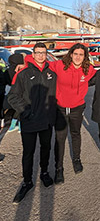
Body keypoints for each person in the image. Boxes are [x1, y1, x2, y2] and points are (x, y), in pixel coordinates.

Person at [24, 43, 96, 184]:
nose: (78, 57)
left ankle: (76, 159)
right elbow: (39, 62)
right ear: (70, 54)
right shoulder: (59, 65)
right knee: (60, 138)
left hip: (77, 108)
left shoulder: (89, 70)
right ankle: (59, 168)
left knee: (76, 134)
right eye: (75, 54)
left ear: (85, 57)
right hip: (60, 108)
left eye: (81, 54)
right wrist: (25, 63)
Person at [8, 43, 57, 204]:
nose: (41, 55)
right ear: (33, 55)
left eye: (44, 53)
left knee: (45, 148)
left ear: (46, 54)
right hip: (29, 121)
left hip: (46, 121)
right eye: (38, 53)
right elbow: (13, 97)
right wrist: (26, 111)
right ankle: (27, 181)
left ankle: (44, 173)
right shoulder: (23, 73)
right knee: (28, 153)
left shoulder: (52, 73)